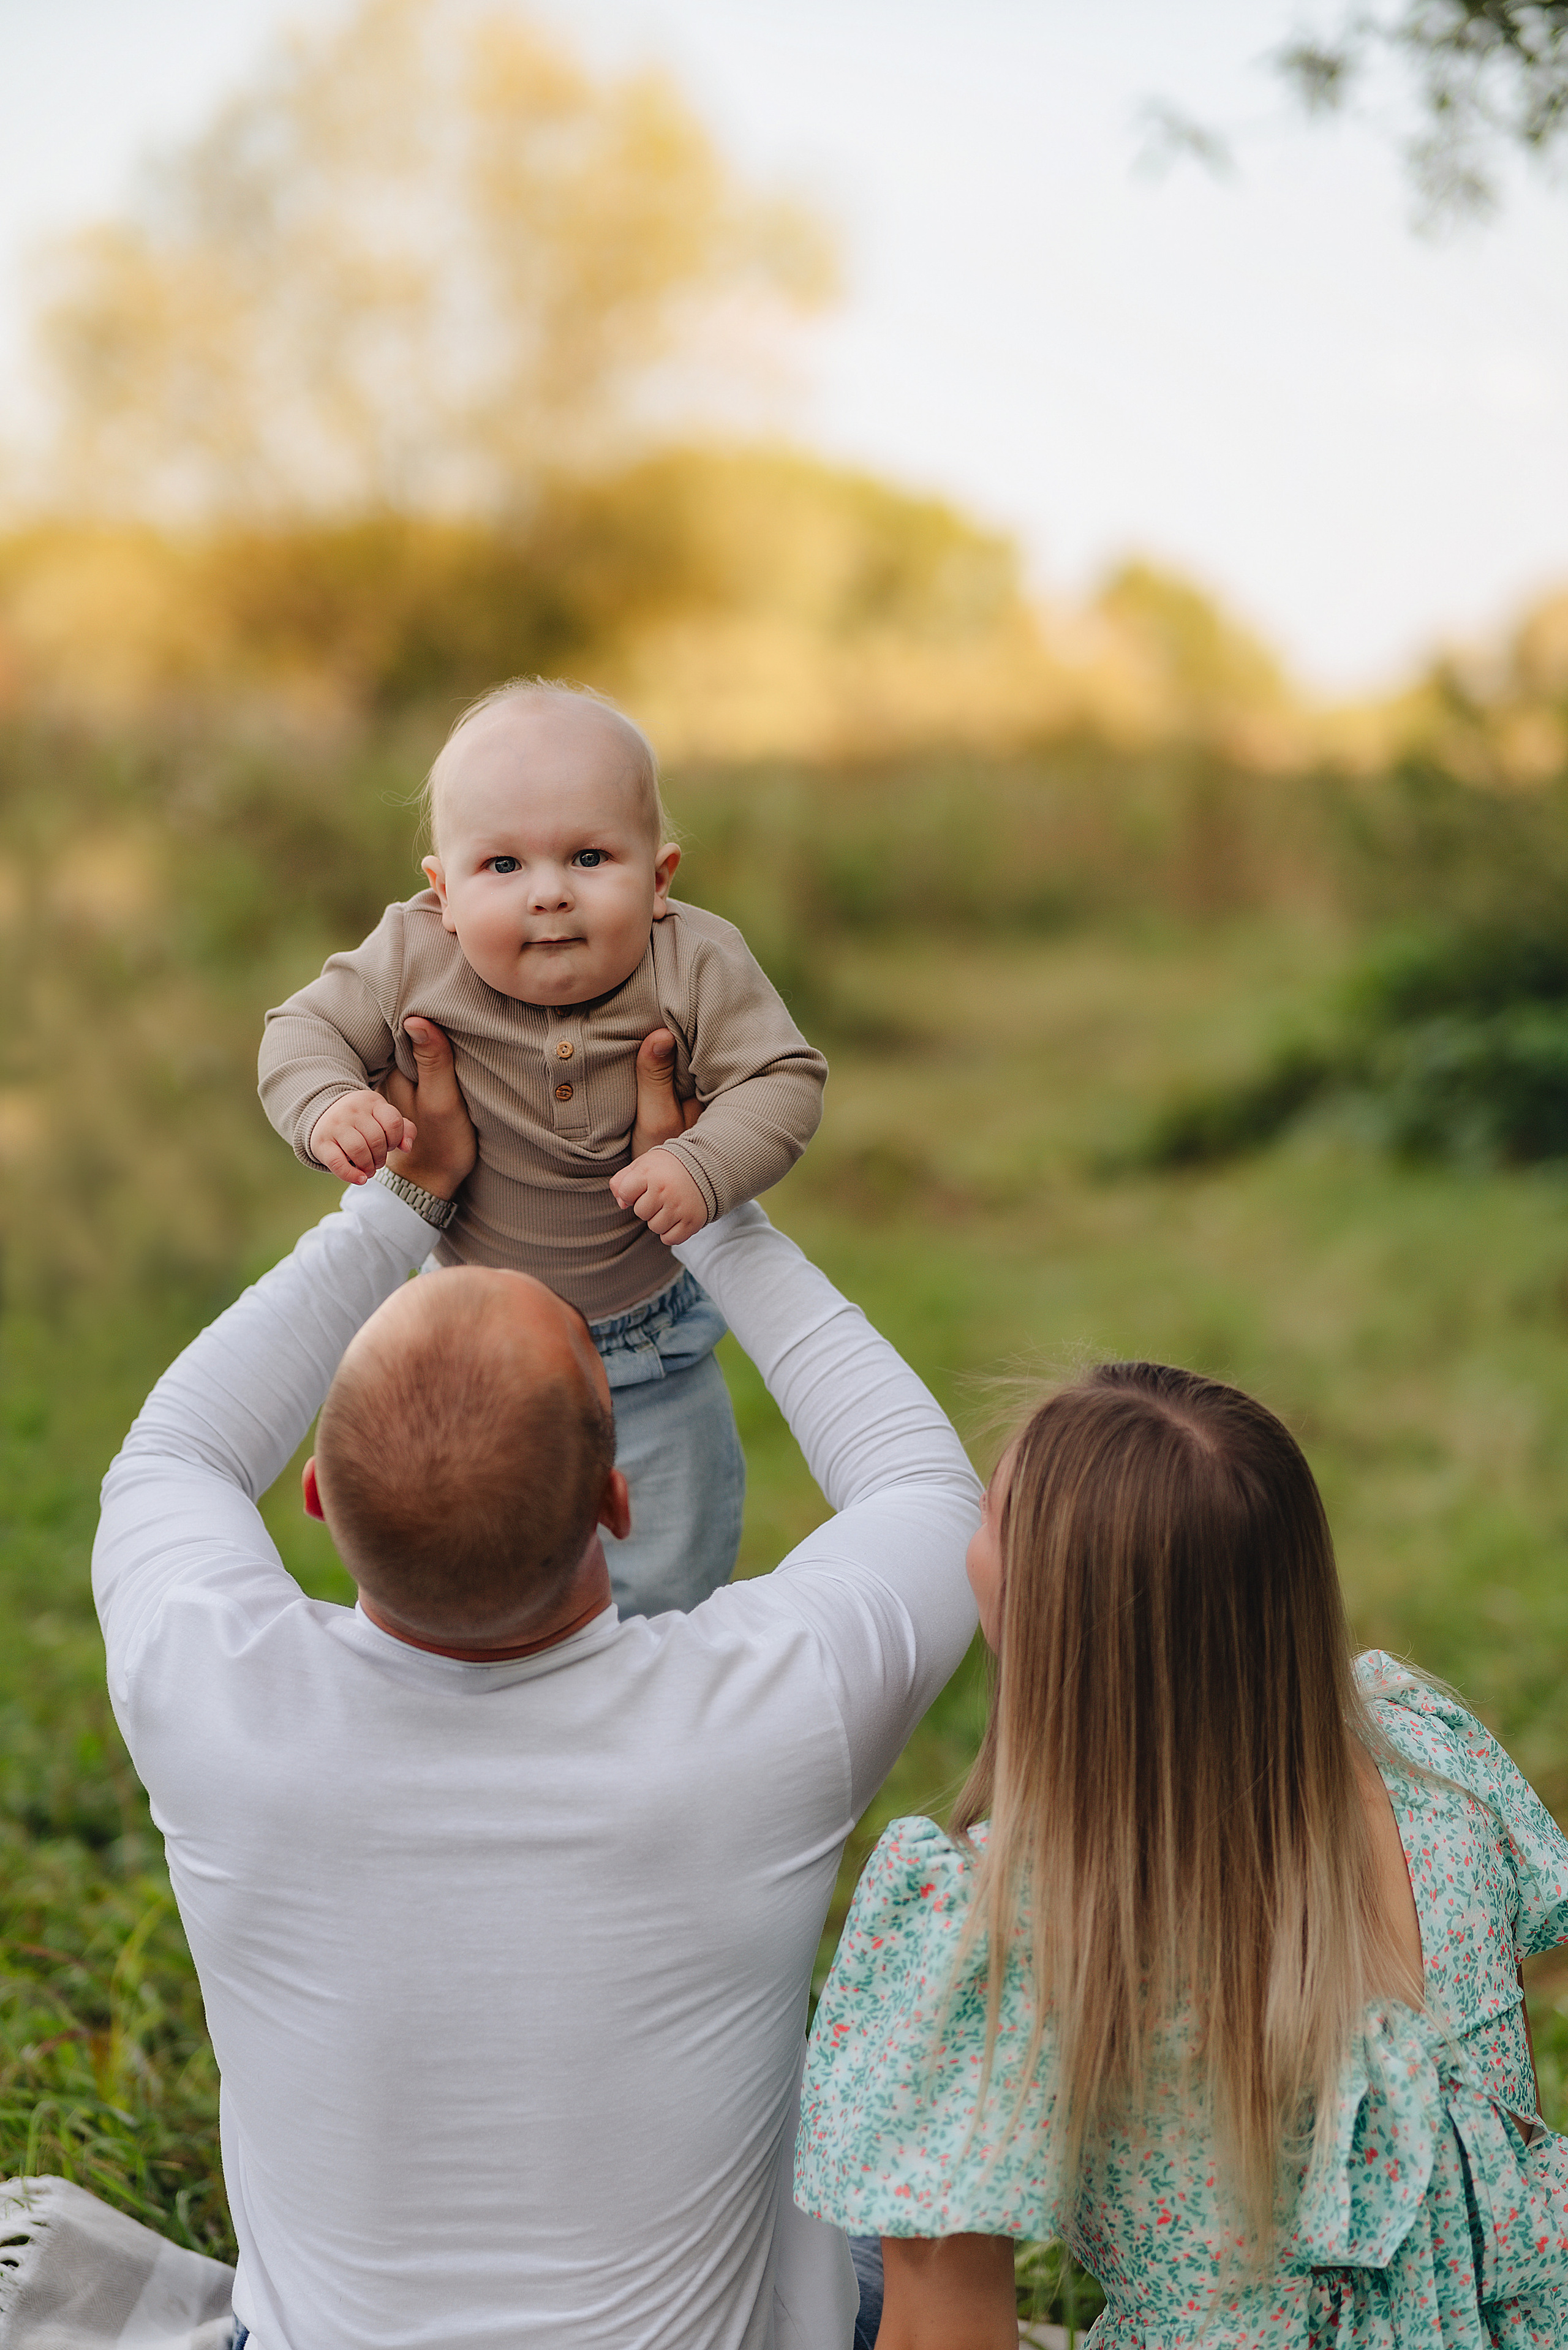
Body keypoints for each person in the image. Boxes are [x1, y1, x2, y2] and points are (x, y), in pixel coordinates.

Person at [94, 1017, 979, 2350]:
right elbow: (924, 1489)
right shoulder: (761, 1717)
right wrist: (704, 1202)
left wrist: (397, 1208)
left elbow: (177, 1450)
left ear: (321, 1500)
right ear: (616, 1503)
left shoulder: (217, 1693)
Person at [795, 1362, 1568, 2348]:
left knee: (852, 2264)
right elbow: (1495, 2170)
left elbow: (939, 2337)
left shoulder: (1002, 1914)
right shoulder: (1436, 1764)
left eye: (989, 1516)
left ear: (1055, 1615)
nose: (969, 1548)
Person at [257, 679, 827, 1617]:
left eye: (591, 856)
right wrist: (328, 1104)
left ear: (660, 877)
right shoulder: (412, 953)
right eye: (504, 866)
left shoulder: (695, 961)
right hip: (472, 1349)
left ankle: (644, 1733)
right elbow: (297, 1033)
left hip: (650, 1352)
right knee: (473, 1576)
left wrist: (701, 1162)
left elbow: (785, 1079)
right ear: (442, 889)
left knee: (666, 1587)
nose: (551, 892)